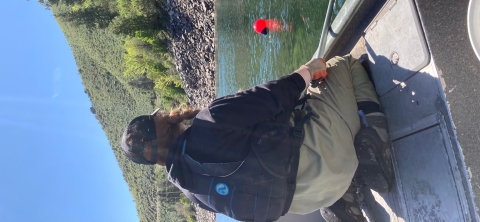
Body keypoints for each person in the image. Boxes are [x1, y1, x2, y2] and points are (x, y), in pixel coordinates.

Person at [121, 55, 393, 222]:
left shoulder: (190, 189)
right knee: (342, 63)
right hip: (330, 157)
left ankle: (341, 200)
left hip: (308, 200)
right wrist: (309, 69)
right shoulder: (208, 123)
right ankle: (375, 139)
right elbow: (278, 94)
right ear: (161, 123)